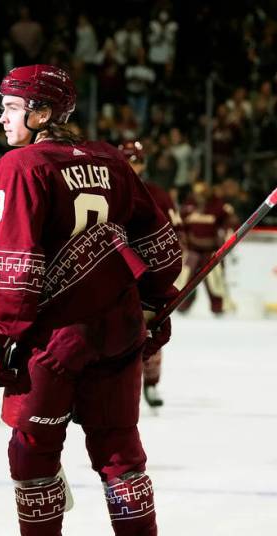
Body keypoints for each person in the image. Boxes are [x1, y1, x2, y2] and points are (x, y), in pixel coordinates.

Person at [0, 65, 182, 536]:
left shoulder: (21, 166)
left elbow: (13, 263)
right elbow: (161, 247)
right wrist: (156, 301)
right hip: (117, 332)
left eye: (11, 109)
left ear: (41, 114)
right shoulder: (111, 159)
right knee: (119, 451)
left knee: (33, 449)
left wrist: (0, 329)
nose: (2, 118)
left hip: (57, 340)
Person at [119, 140, 182, 408]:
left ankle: (152, 383)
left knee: (151, 331)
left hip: (149, 275)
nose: (133, 165)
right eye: (128, 159)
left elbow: (176, 233)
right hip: (117, 273)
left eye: (137, 160)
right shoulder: (110, 190)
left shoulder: (158, 194)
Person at [177, 182, 237, 315]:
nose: (200, 196)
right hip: (191, 251)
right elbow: (179, 224)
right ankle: (181, 307)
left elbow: (231, 221)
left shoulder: (219, 205)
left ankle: (219, 308)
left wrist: (228, 234)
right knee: (185, 281)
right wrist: (181, 242)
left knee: (215, 281)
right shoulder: (188, 205)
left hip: (211, 251)